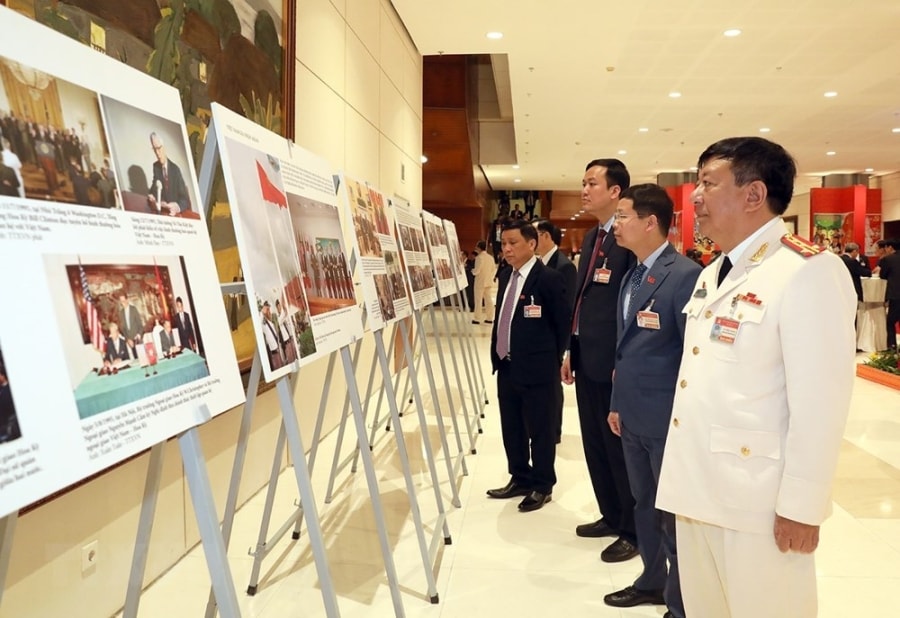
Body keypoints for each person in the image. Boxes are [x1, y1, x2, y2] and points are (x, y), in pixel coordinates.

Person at [656, 136, 857, 618]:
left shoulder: (807, 270)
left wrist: (803, 506)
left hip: (759, 503)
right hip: (697, 488)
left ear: (753, 194)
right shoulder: (713, 274)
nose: (695, 197)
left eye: (708, 183)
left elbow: (822, 404)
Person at [603, 184, 700, 617]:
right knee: (643, 503)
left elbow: (690, 354)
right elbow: (624, 350)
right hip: (632, 416)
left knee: (671, 514)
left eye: (623, 215)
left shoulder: (684, 275)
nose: (616, 223)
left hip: (666, 418)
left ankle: (680, 603)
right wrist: (616, 403)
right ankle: (651, 580)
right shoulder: (631, 273)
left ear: (650, 222)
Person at [561, 158, 638, 563]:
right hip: (585, 355)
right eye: (583, 182)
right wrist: (570, 350)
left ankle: (631, 527)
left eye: (592, 183)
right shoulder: (592, 238)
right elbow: (584, 299)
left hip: (612, 363)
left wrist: (622, 362)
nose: (584, 190)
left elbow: (630, 305)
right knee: (594, 442)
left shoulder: (628, 239)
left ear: (615, 191)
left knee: (617, 447)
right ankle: (610, 514)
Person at [486, 220, 570, 512]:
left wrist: (552, 359)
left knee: (541, 430)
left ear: (531, 244)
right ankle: (519, 476)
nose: (506, 249)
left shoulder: (548, 278)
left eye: (513, 243)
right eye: (503, 244)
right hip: (507, 365)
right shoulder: (507, 274)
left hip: (538, 369)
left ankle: (542, 484)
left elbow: (562, 324)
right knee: (512, 427)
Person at [534, 218, 577, 443]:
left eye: (536, 235)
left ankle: (555, 430)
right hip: (539, 336)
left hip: (554, 338)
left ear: (547, 237)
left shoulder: (563, 266)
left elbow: (567, 308)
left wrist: (565, 345)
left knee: (552, 387)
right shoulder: (539, 263)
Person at [147, 132, 191, 215]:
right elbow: (154, 188)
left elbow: (185, 200)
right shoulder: (156, 167)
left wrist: (177, 207)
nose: (157, 153)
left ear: (164, 147)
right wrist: (152, 196)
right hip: (162, 213)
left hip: (174, 216)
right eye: (154, 149)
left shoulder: (176, 170)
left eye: (159, 148)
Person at [880, 239, 900, 349]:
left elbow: (883, 275)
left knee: (890, 321)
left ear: (890, 247)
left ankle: (892, 347)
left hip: (896, 294)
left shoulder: (889, 259)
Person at [471, 240, 495, 324]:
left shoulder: (479, 258)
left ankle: (477, 318)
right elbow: (493, 269)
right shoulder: (490, 257)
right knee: (488, 300)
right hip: (488, 281)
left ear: (479, 247)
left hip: (480, 282)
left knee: (478, 300)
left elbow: (477, 271)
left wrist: (472, 271)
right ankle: (490, 317)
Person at [261, 301, 284, 370]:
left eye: (269, 310)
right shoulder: (263, 325)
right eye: (267, 310)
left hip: (278, 351)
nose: (269, 312)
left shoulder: (271, 322)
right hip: (274, 355)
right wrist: (263, 312)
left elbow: (281, 318)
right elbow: (259, 322)